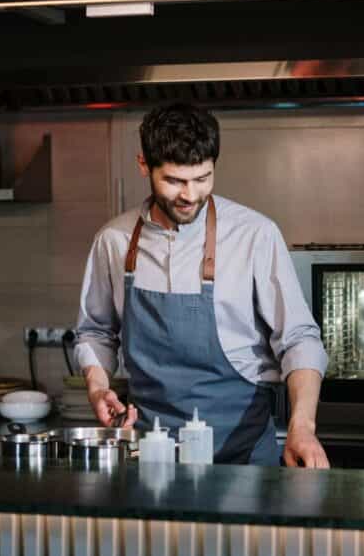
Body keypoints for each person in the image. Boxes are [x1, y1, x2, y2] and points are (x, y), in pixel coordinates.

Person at [74, 103, 329, 467]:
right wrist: (98, 387)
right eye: (175, 181)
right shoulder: (114, 241)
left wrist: (302, 426)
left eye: (203, 178)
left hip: (241, 458)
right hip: (150, 457)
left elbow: (299, 339)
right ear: (144, 165)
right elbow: (96, 332)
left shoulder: (254, 235)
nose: (190, 195)